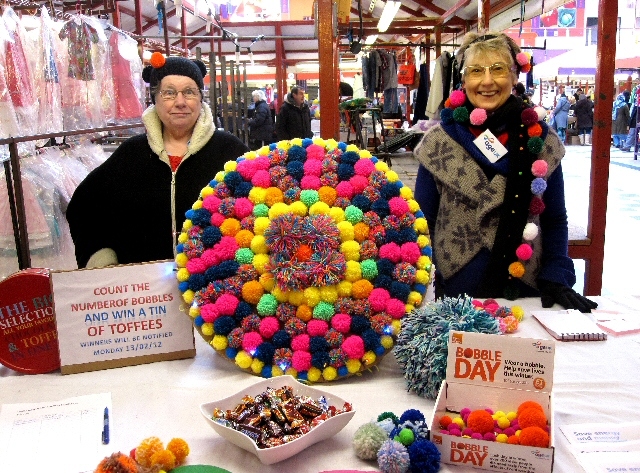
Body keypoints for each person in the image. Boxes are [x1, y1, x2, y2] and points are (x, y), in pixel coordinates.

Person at [413, 31, 596, 312]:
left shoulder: (542, 143)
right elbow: (424, 222)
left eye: (498, 69)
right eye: (476, 71)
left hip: (526, 293)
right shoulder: (440, 143)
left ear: (514, 77)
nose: (487, 81)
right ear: (463, 80)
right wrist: (423, 286)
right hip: (457, 298)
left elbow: (555, 219)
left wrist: (556, 275)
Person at [66, 54, 250, 268]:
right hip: (146, 293)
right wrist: (102, 259)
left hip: (214, 289)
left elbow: (260, 210)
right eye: (169, 93)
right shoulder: (130, 155)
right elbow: (83, 207)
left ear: (201, 98)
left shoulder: (230, 152)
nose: (180, 102)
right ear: (155, 99)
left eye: (189, 92)